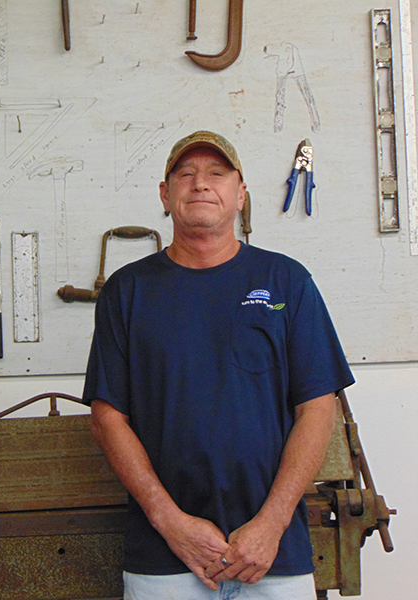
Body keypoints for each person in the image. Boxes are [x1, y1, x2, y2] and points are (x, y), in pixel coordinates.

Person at [83, 130, 354, 599]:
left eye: (216, 174)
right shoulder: (127, 292)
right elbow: (108, 418)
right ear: (165, 197)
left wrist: (270, 526)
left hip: (273, 556)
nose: (200, 184)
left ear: (240, 194)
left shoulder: (286, 280)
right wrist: (171, 524)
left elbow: (317, 408)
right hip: (163, 560)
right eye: (184, 175)